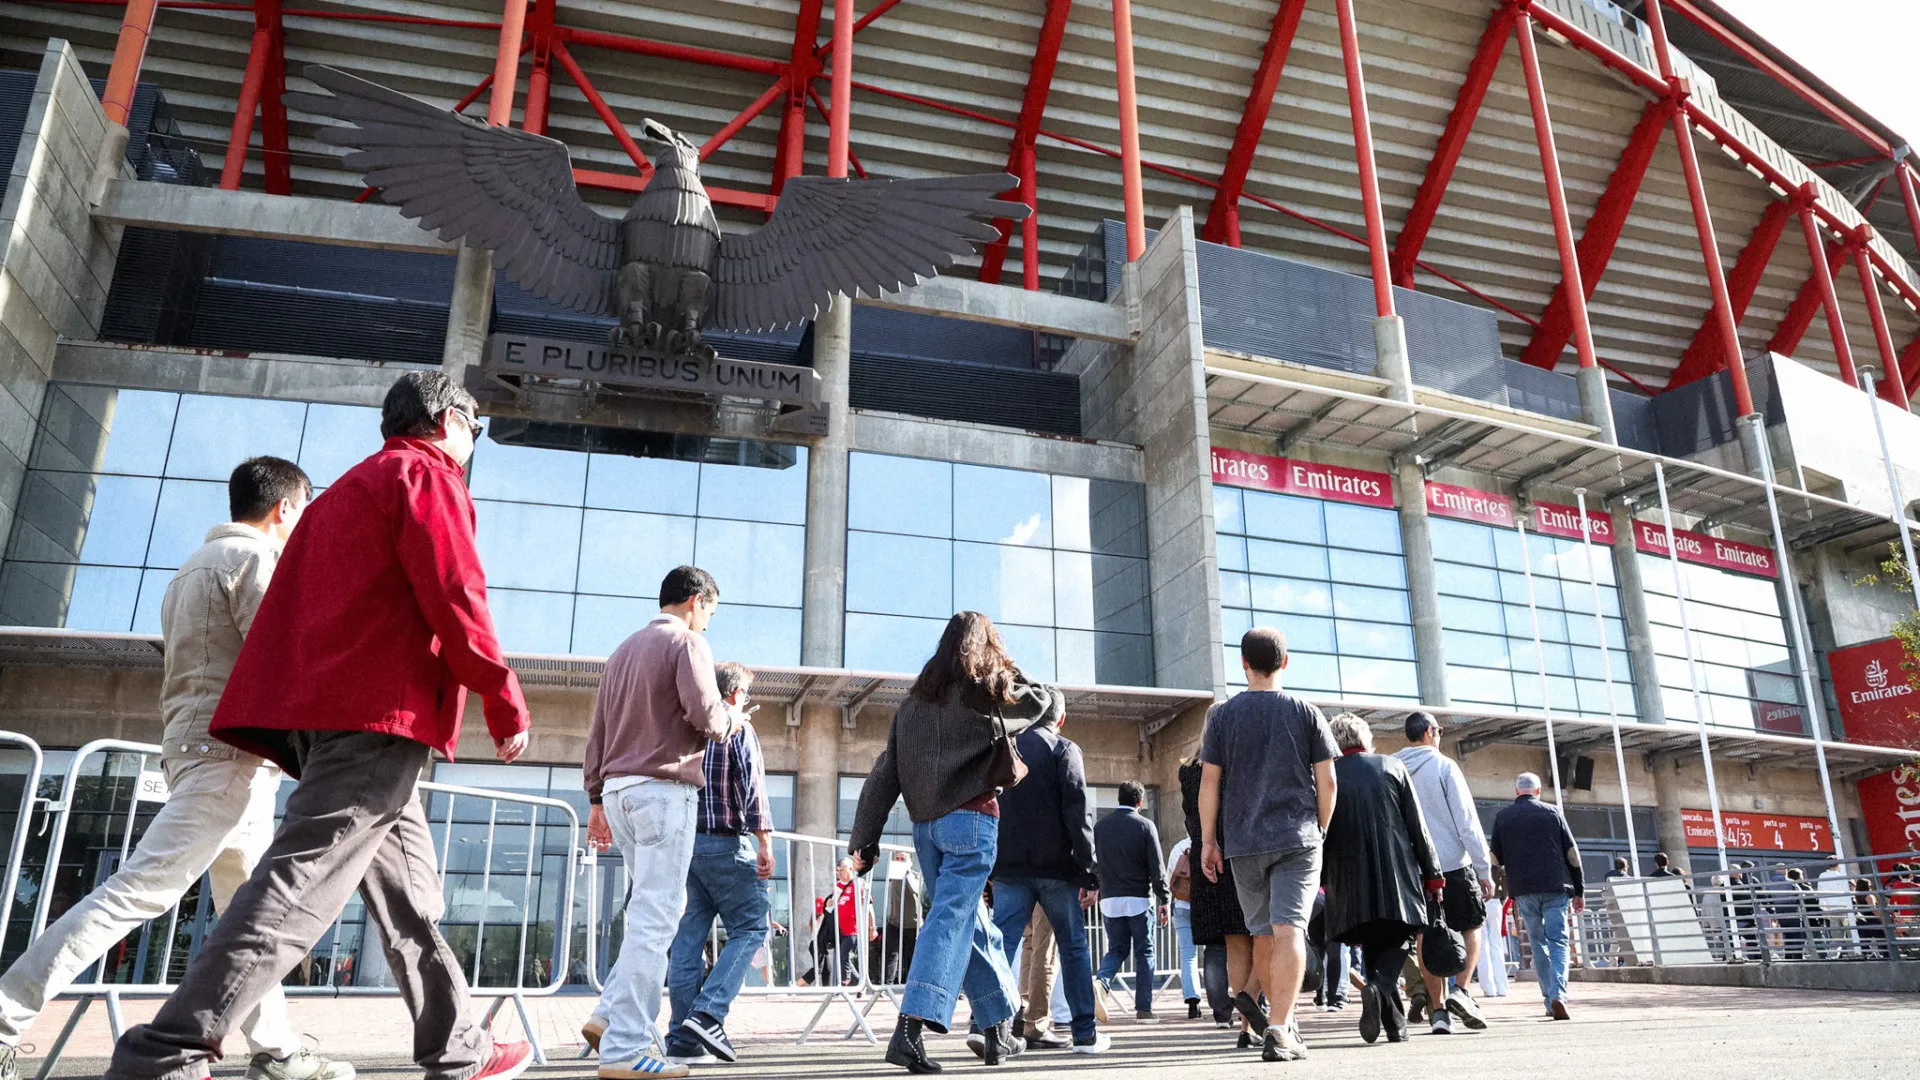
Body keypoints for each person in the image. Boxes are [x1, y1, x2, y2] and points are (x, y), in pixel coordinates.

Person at [104, 371, 533, 1080]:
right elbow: (456, 590)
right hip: (379, 719)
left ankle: (457, 1045)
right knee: (300, 882)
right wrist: (501, 693)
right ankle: (167, 1051)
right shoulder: (421, 477)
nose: (473, 440)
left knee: (409, 894)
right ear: (447, 420)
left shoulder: (339, 497)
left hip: (339, 718)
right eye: (475, 426)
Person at [0, 459, 348, 1080]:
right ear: (287, 509)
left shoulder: (188, 569)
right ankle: (4, 1017)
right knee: (139, 892)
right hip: (229, 758)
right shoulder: (254, 562)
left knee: (250, 912)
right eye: (306, 511)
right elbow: (290, 657)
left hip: (204, 752)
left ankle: (276, 1051)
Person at [848, 611, 1064, 1073]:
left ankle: (997, 1028)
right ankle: (909, 1029)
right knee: (950, 920)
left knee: (974, 924)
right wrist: (1006, 665)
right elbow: (1043, 702)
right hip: (971, 820)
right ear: (986, 648)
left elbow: (886, 772)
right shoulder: (986, 691)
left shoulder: (911, 705)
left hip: (926, 830)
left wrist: (865, 838)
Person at [580, 564, 746, 1079]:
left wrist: (595, 801)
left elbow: (598, 733)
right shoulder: (688, 645)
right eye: (709, 613)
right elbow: (705, 714)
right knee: (658, 918)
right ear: (696, 601)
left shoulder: (621, 652)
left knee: (645, 914)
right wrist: (732, 720)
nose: (707, 625)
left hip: (619, 790)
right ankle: (626, 1049)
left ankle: (608, 1017)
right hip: (663, 790)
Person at [1197, 628, 1338, 1062]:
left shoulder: (1222, 716)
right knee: (1290, 929)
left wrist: (1208, 840)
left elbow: (1209, 781)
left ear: (1244, 663)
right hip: (1296, 837)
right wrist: (1322, 829)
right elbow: (1328, 780)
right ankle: (1281, 1025)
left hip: (1243, 841)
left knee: (1260, 932)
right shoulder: (1305, 711)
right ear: (1285, 661)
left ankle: (1275, 1021)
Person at [660, 661, 774, 1065]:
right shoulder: (738, 727)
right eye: (745, 693)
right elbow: (754, 784)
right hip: (726, 845)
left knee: (687, 943)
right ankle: (709, 1013)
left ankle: (681, 1040)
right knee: (752, 926)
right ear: (735, 695)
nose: (747, 701)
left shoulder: (690, 728)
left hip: (686, 847)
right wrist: (764, 841)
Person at [987, 705, 1106, 1053]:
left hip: (1009, 867)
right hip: (1056, 869)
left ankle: (988, 1027)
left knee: (1002, 946)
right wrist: (1089, 869)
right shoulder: (1063, 749)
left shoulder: (1005, 746)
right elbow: (1078, 809)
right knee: (1072, 947)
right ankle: (1085, 1034)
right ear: (1061, 718)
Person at [1320, 714, 1442, 1046]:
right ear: (1365, 737)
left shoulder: (1326, 776)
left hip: (1346, 882)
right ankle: (1379, 987)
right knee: (1399, 938)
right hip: (1396, 875)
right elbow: (1418, 827)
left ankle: (1395, 1028)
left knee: (1375, 944)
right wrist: (1433, 875)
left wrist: (1319, 879)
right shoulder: (1391, 766)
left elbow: (1321, 833)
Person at [1393, 711, 1492, 1036]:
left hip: (1414, 868)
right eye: (1439, 730)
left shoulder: (1393, 767)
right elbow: (1466, 821)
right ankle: (1462, 991)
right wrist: (1484, 869)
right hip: (1453, 863)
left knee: (1426, 935)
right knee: (1472, 924)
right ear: (1430, 733)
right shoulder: (1444, 765)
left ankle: (1439, 1012)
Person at [1488, 772, 1584, 1021]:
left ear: (1516, 791)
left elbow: (1495, 859)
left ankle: (1548, 1000)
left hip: (1525, 890)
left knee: (1537, 943)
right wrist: (1579, 889)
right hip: (1555, 887)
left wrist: (1494, 888)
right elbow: (1572, 853)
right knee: (1559, 941)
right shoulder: (1553, 813)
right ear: (1538, 791)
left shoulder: (1503, 817)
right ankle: (1558, 995)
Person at [1179, 752, 1257, 1035]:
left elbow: (1190, 817)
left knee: (1220, 946)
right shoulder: (1238, 764)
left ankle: (1226, 1015)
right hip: (1238, 852)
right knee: (1259, 937)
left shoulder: (1187, 771)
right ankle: (1253, 1005)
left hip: (1205, 857)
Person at [1093, 781, 1168, 1022]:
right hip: (1138, 898)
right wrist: (1164, 897)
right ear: (1140, 801)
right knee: (1145, 952)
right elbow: (1157, 866)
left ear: (1118, 798)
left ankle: (1101, 983)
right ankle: (1144, 1009)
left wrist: (1093, 886)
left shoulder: (1100, 827)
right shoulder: (1146, 825)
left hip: (1110, 899)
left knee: (1117, 949)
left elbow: (1092, 862)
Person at [816, 858, 874, 985]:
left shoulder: (859, 884)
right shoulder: (837, 886)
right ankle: (860, 983)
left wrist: (872, 927)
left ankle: (844, 982)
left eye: (842, 870)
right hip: (840, 930)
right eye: (837, 871)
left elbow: (869, 907)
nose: (839, 873)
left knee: (844, 955)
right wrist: (829, 904)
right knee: (844, 957)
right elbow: (832, 908)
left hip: (854, 929)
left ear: (851, 869)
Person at [1167, 835, 1201, 1019]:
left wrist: (1164, 905)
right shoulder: (1213, 843)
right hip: (1206, 908)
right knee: (1218, 953)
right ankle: (1223, 1004)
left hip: (1181, 906)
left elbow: (1169, 878)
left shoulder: (1178, 847)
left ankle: (1193, 1002)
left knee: (1188, 955)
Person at [882, 851, 925, 985]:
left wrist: (907, 873)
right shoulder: (894, 876)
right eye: (897, 858)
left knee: (912, 956)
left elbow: (916, 889)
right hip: (895, 922)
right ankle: (887, 984)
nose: (899, 861)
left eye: (903, 859)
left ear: (909, 862)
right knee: (891, 955)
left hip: (913, 924)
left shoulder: (914, 876)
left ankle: (913, 984)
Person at [1815, 857, 1858, 958]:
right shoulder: (1842, 876)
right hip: (1846, 910)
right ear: (1839, 864)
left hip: (1832, 910)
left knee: (1836, 937)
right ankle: (1854, 954)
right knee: (1851, 934)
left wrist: (1825, 909)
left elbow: (1820, 894)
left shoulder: (1822, 876)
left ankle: (1832, 956)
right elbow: (1849, 892)